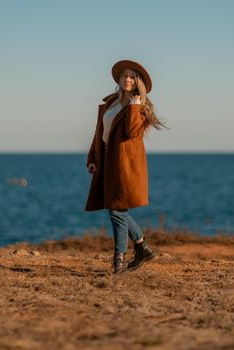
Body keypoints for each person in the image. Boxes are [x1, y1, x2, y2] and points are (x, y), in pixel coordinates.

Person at [85, 59, 166, 274]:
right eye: (125, 76)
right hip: (106, 160)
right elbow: (99, 132)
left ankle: (119, 260)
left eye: (132, 77)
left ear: (138, 82)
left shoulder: (139, 108)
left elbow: (132, 132)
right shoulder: (111, 102)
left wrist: (135, 104)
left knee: (117, 209)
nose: (127, 79)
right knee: (116, 209)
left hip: (125, 164)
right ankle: (142, 249)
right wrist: (92, 157)